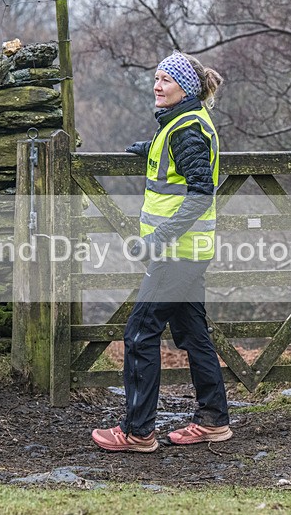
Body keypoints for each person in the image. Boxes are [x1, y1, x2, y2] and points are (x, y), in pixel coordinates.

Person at [92, 51, 231, 453]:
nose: (157, 85)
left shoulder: (186, 129)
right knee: (192, 333)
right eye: (155, 78)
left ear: (184, 89)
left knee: (139, 333)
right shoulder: (180, 124)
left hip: (177, 253)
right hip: (190, 250)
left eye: (165, 80)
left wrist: (157, 241)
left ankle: (137, 432)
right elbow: (178, 166)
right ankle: (214, 420)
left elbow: (200, 193)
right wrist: (150, 149)